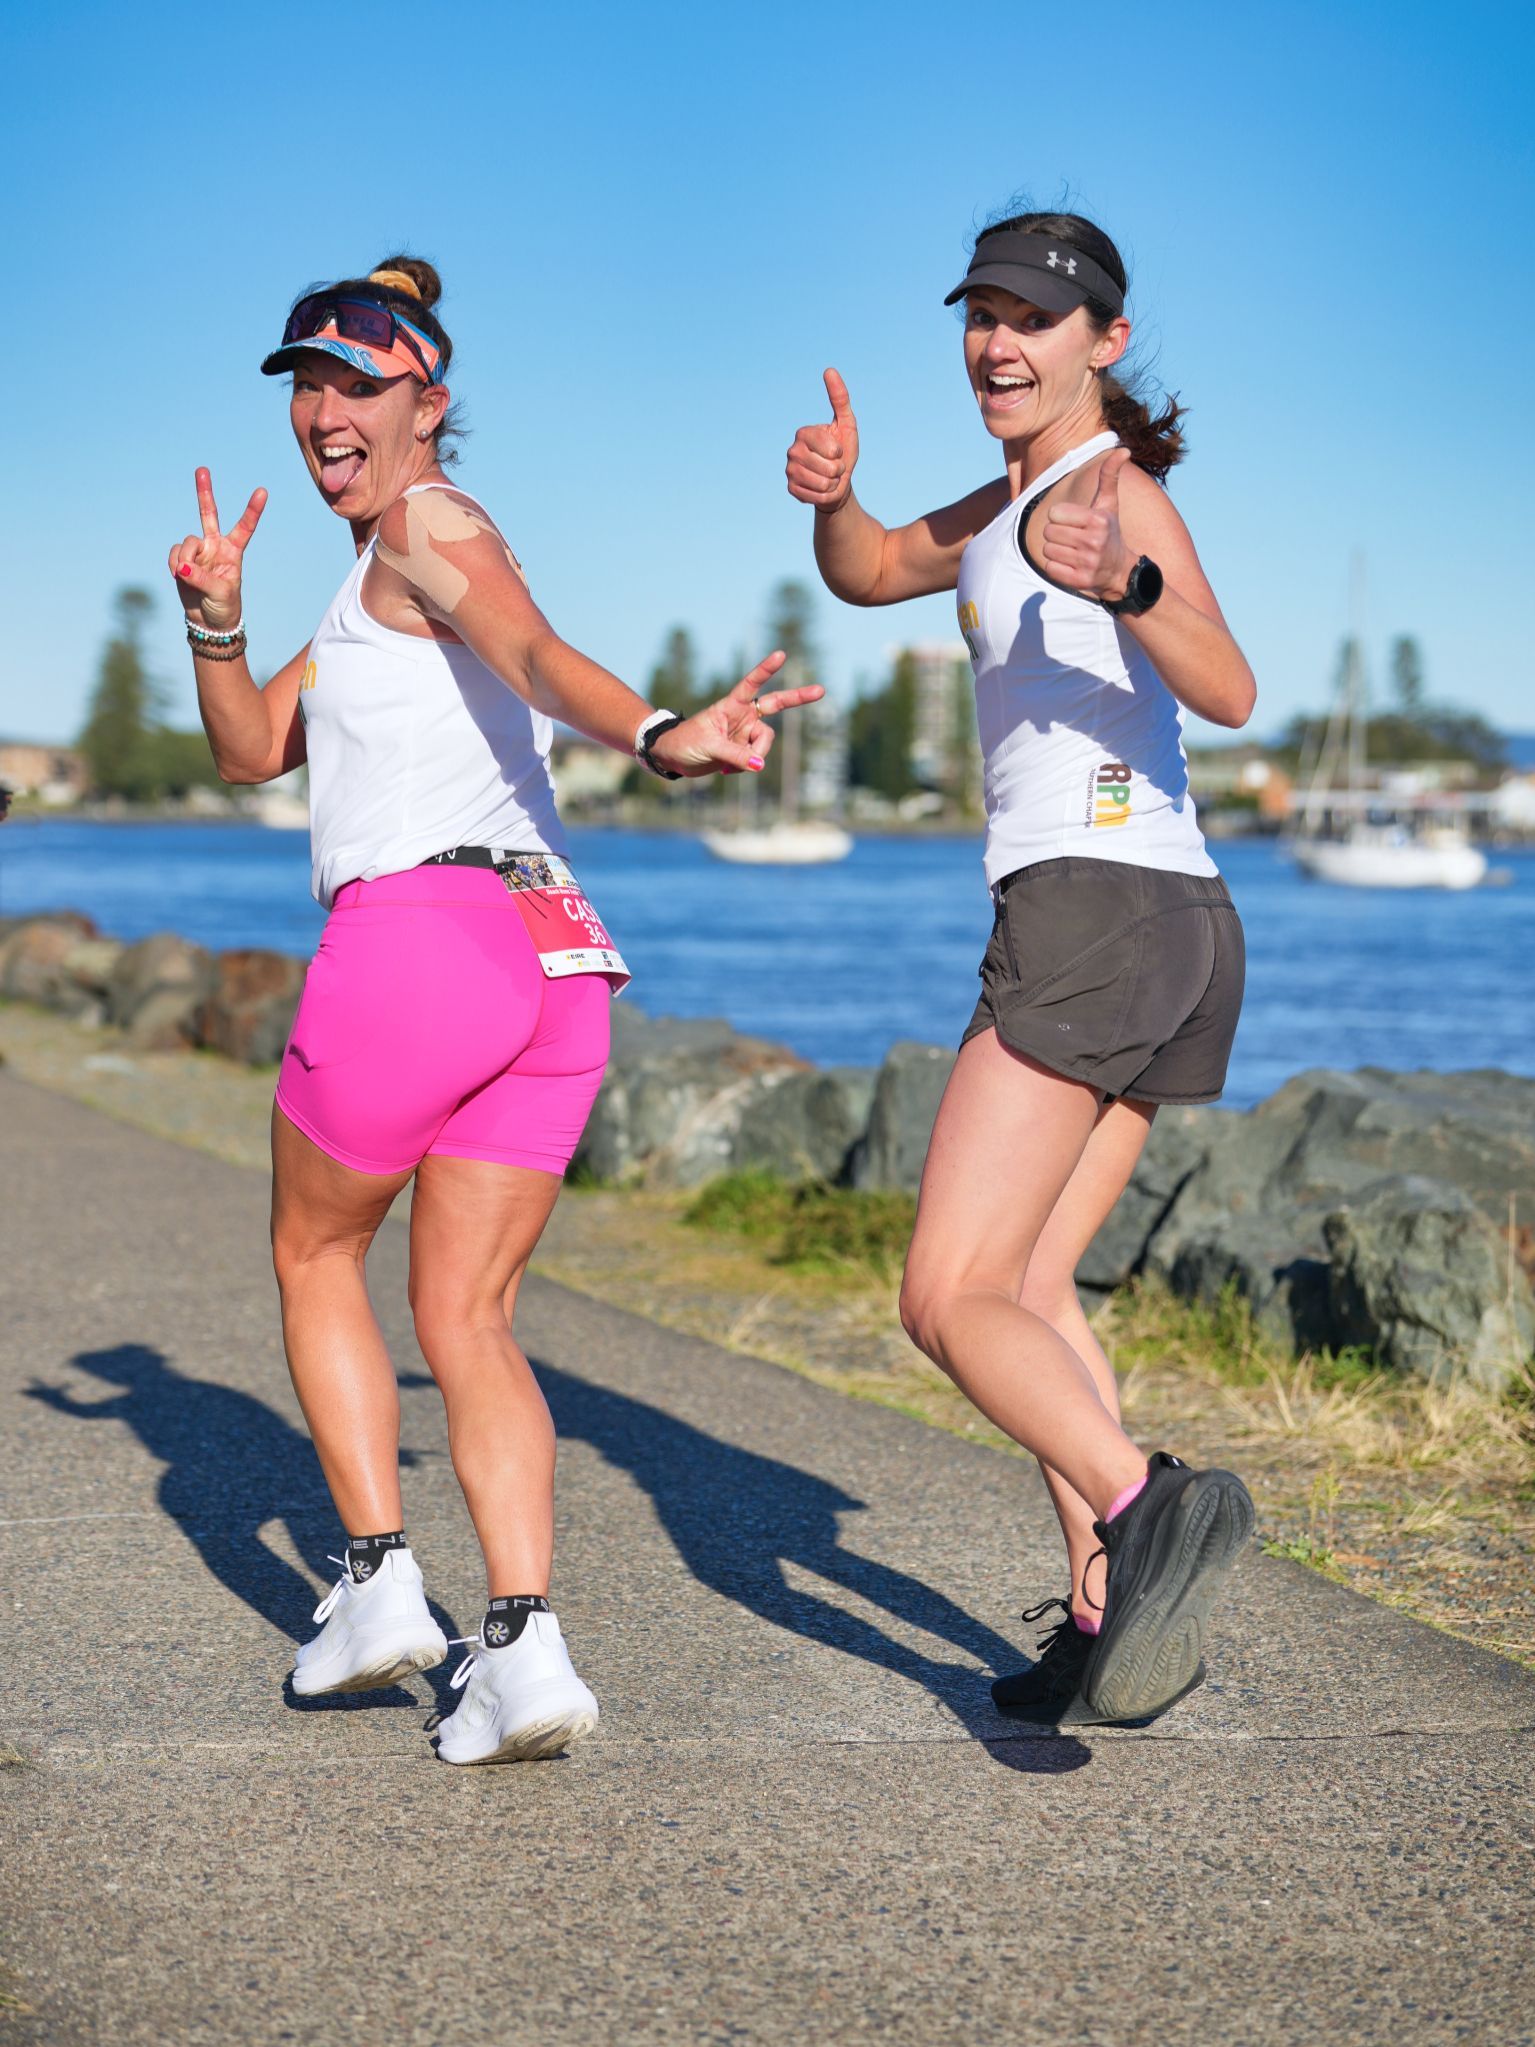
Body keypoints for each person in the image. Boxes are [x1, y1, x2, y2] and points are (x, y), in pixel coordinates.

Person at [170, 255, 820, 1765]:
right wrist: (215, 619)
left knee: (313, 1246)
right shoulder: (364, 584)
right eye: (306, 384)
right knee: (468, 1317)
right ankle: (524, 1654)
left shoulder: (425, 526)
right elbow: (250, 748)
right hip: (552, 962)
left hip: (424, 945)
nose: (325, 408)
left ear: (429, 403)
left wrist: (662, 735)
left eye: (358, 382)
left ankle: (382, 1585)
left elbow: (528, 648)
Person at [786, 208, 1255, 1727]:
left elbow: (1230, 686)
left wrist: (1130, 587)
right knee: (1035, 1282)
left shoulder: (1114, 490)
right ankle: (1110, 1615)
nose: (997, 339)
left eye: (1033, 317)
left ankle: (1146, 1504)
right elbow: (866, 573)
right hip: (1170, 916)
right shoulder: (1009, 496)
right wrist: (833, 498)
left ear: (1103, 343)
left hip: (1097, 905)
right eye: (981, 311)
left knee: (945, 1294)